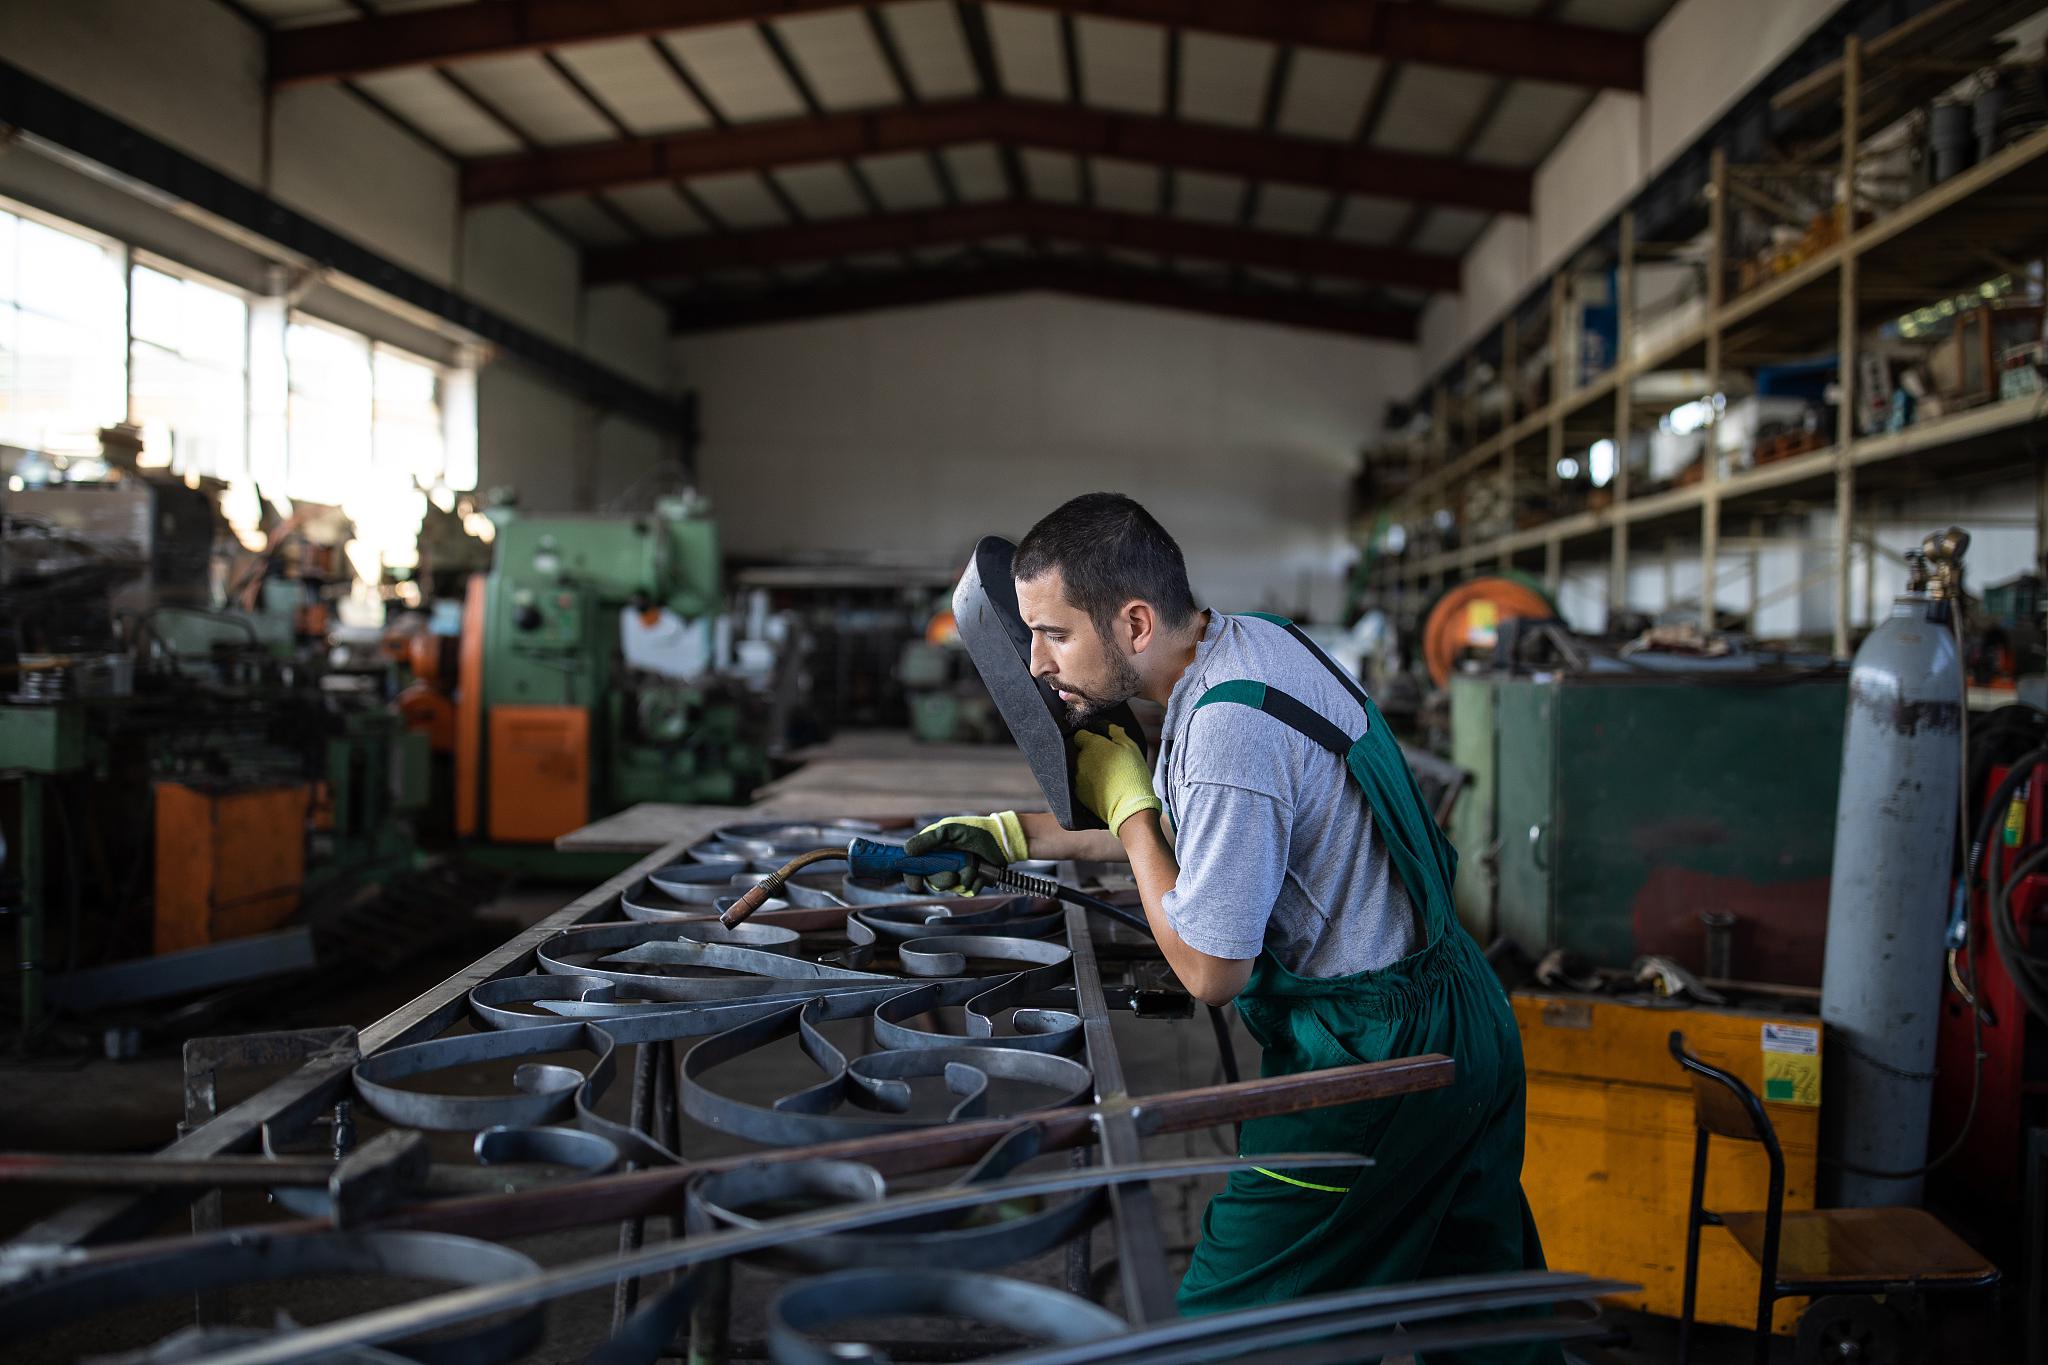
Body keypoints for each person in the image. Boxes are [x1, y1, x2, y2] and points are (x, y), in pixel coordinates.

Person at [909, 492, 1556, 1363]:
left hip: (1374, 1064)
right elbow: (1205, 831)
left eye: (1054, 633)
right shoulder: (1252, 644)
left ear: (1134, 621)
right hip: (1463, 1019)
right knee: (1486, 1332)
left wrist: (1130, 810)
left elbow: (1213, 972)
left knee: (1227, 1331)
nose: (1035, 661)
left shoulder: (1225, 731)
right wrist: (1013, 834)